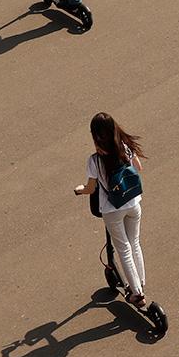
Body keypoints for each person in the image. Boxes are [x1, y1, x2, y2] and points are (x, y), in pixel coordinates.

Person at [73, 113, 147, 306]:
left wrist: (80, 190)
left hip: (112, 210)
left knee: (123, 249)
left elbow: (90, 188)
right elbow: (138, 168)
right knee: (135, 243)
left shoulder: (94, 160)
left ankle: (137, 294)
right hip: (133, 202)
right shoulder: (125, 147)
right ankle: (141, 284)